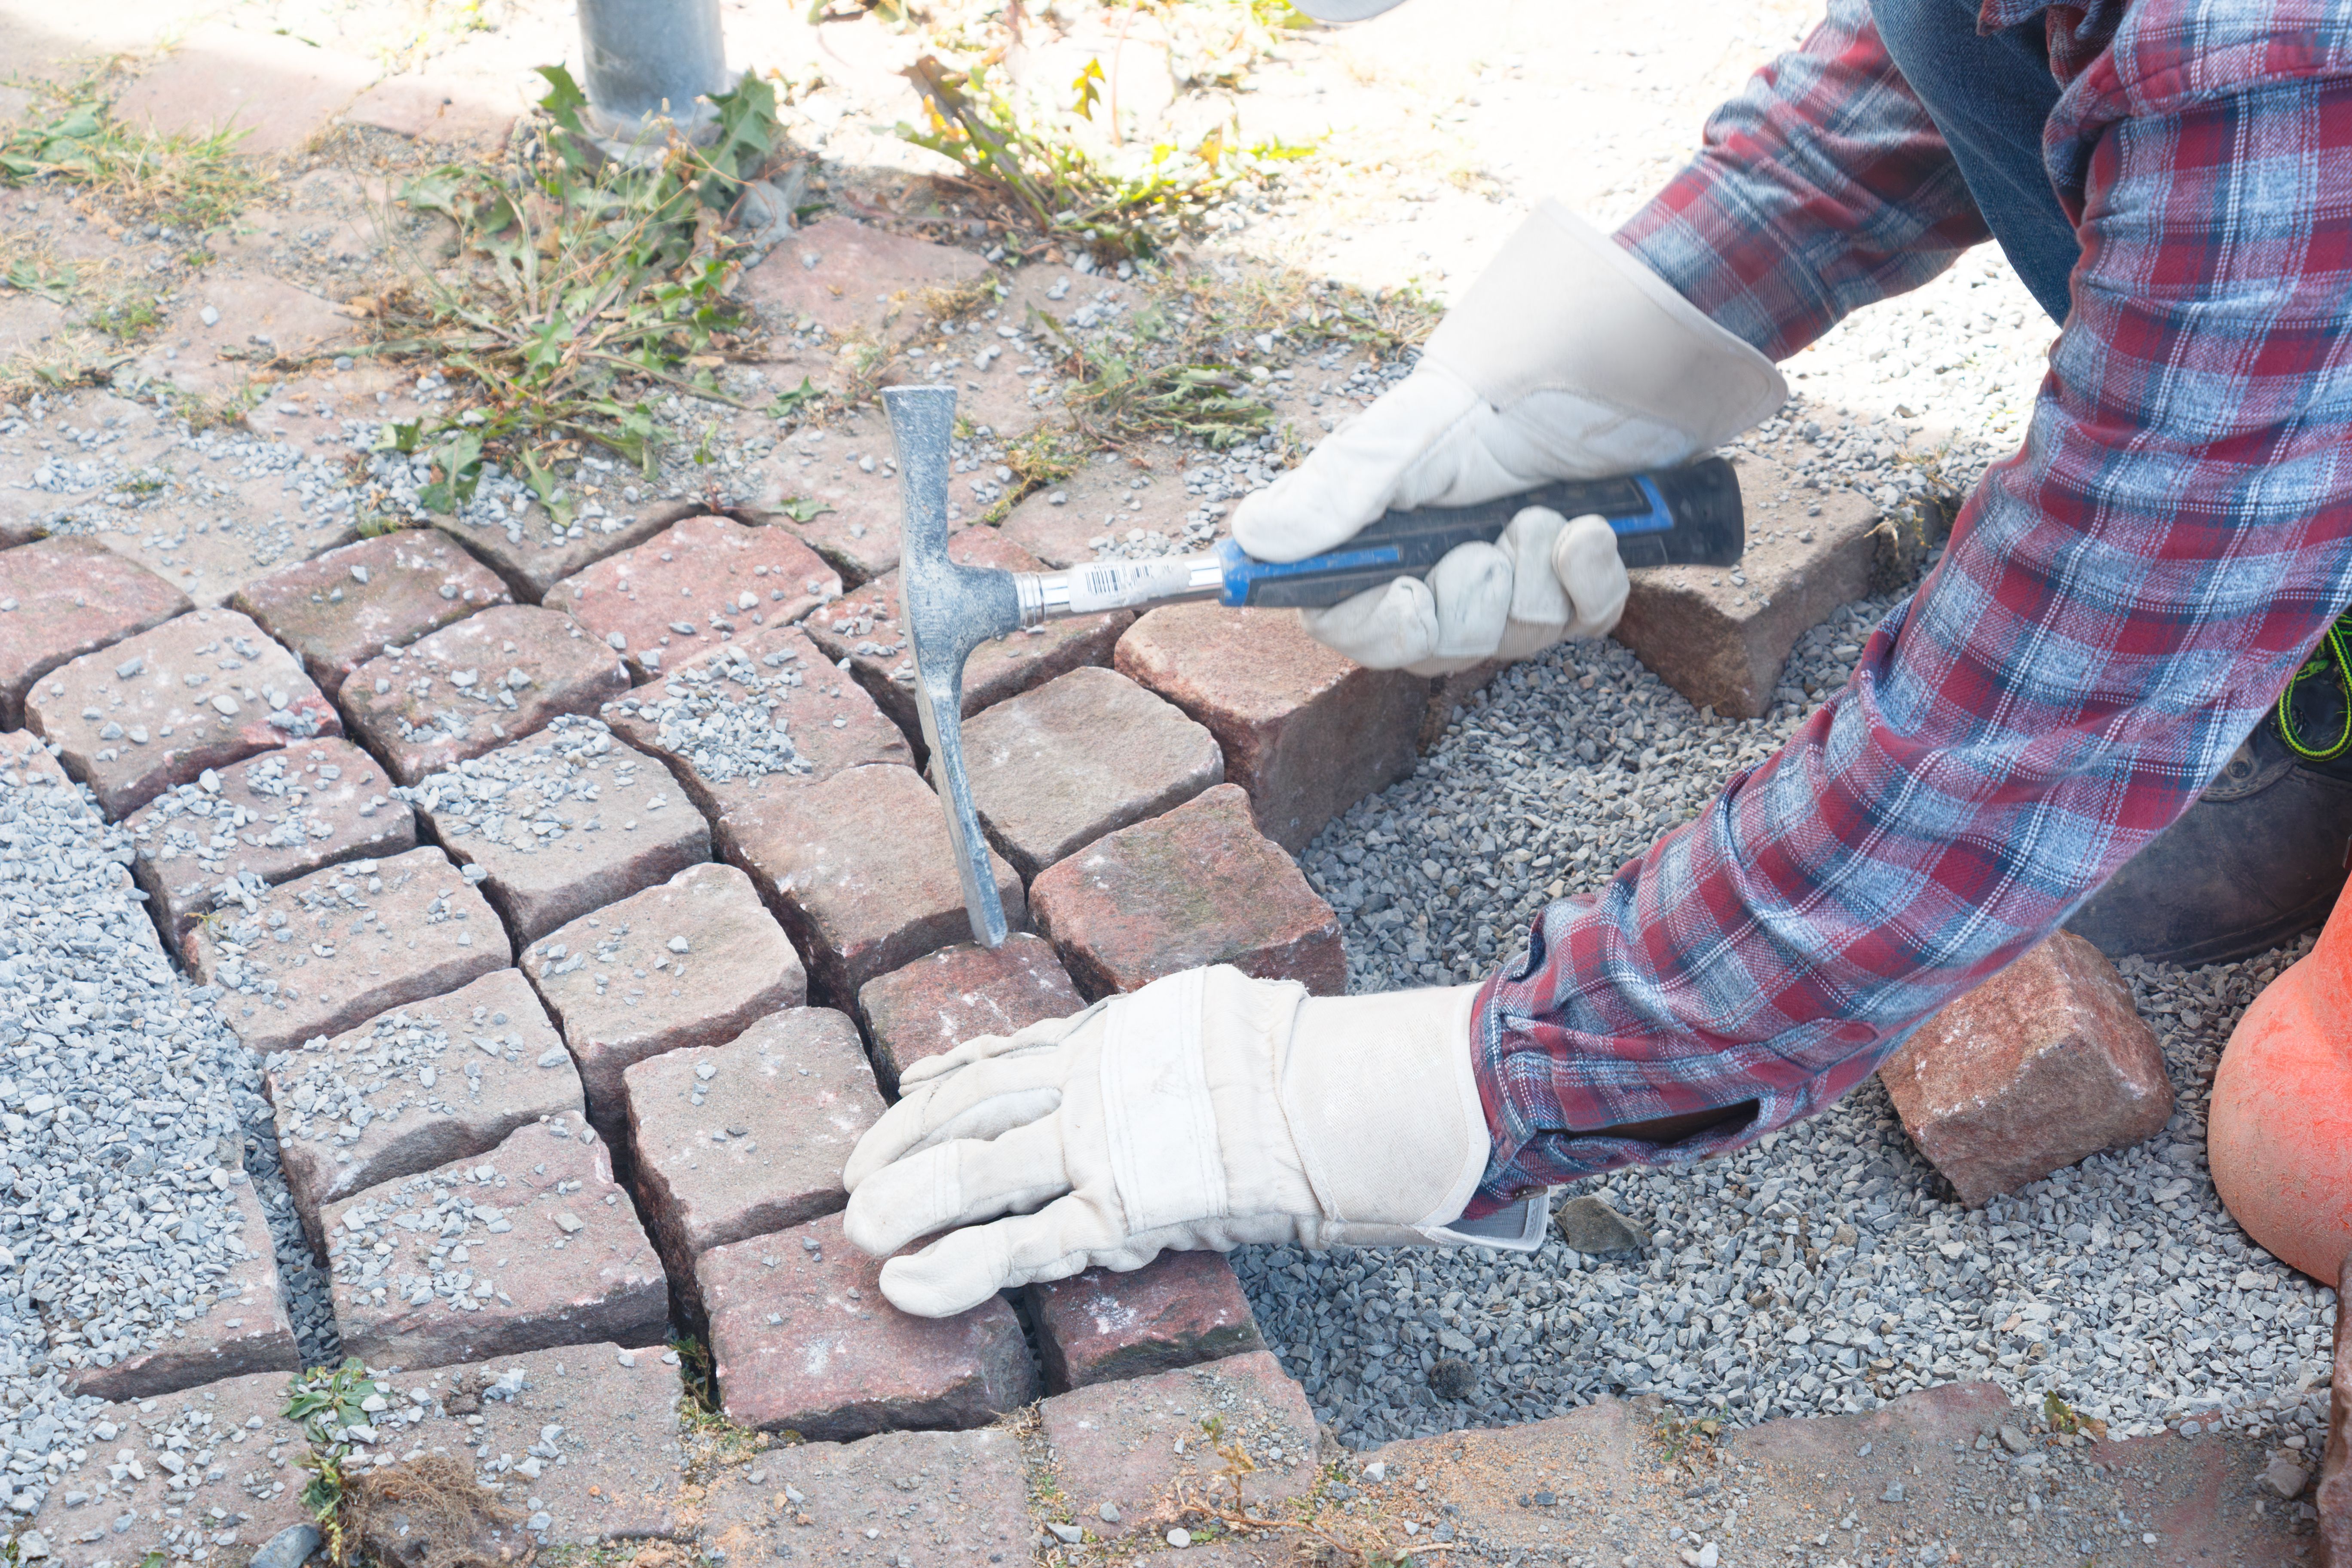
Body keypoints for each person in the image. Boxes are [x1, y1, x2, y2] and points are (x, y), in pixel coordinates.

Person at [842, 0, 2352, 1317]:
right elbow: (1976, 46)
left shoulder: (2266, 49)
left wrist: (1476, 1085)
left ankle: (2284, 543)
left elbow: (2042, 714)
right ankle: (2279, 516)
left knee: (2313, 1163)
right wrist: (1599, 369)